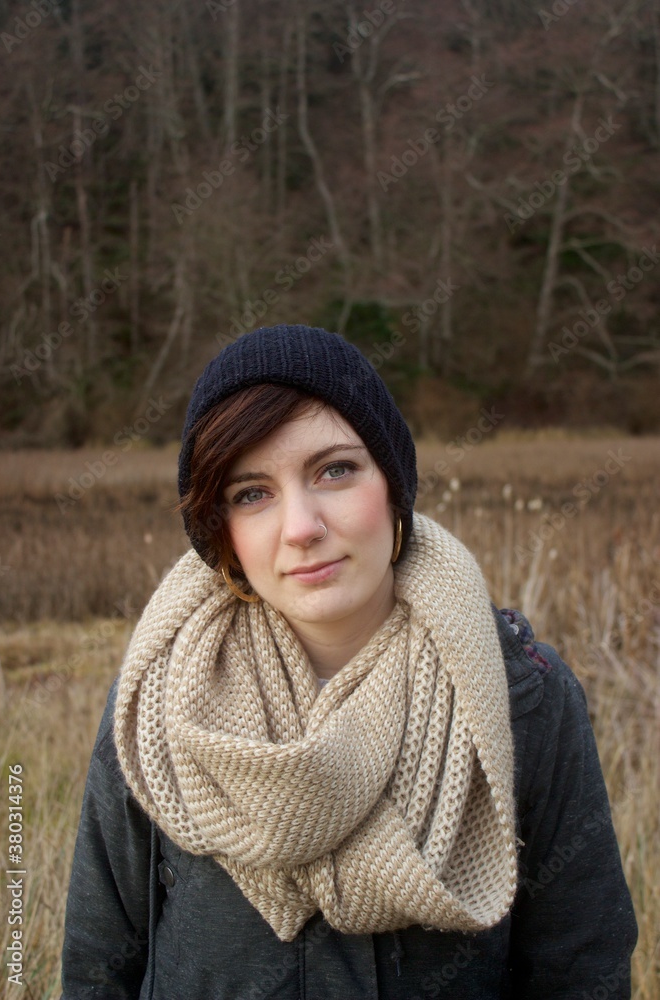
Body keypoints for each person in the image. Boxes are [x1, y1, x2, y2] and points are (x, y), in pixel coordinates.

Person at [61, 324, 637, 999]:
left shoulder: (522, 695)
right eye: (252, 493)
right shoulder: (158, 699)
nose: (301, 526)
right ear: (223, 535)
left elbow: (581, 969)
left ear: (392, 485)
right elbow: (99, 964)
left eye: (334, 470)